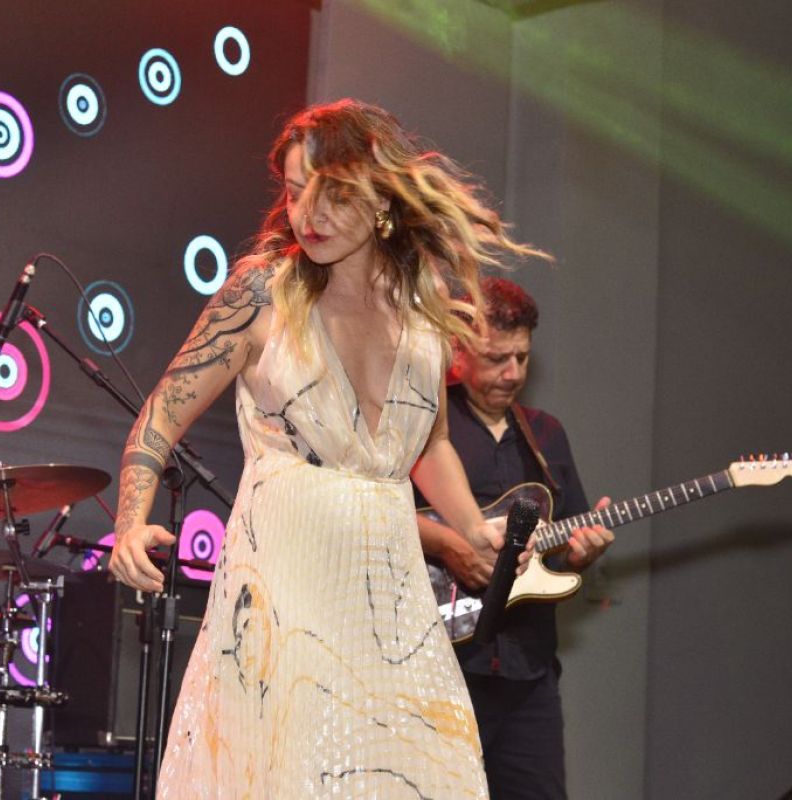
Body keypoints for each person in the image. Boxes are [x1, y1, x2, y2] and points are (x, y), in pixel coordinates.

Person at [109, 100, 544, 798]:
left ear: (382, 199)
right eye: (294, 190)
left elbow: (428, 442)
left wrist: (474, 529)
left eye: (334, 194)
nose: (307, 212)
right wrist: (130, 522)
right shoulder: (263, 293)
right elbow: (158, 417)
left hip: (389, 601)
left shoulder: (424, 310)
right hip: (282, 589)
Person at [414, 277, 614, 800]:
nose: (513, 373)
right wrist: (450, 546)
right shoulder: (426, 420)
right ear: (458, 350)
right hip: (440, 667)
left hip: (528, 672)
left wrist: (581, 554)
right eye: (497, 358)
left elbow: (562, 550)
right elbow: (380, 513)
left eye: (522, 358)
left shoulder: (546, 434)